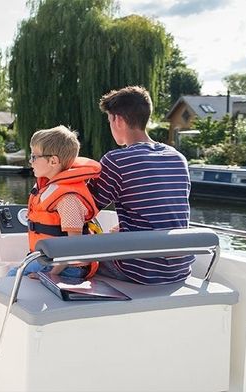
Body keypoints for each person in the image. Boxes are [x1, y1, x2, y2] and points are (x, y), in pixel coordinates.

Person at [89, 86, 192, 285]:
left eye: (109, 121)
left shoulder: (116, 160)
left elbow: (86, 209)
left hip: (138, 272)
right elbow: (165, 210)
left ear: (117, 120)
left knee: (72, 263)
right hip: (179, 269)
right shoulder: (177, 157)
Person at [10, 125, 101, 279]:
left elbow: (73, 245)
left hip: (68, 268)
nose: (30, 161)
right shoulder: (49, 187)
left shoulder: (67, 199)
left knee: (12, 275)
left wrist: (49, 276)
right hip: (49, 259)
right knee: (16, 271)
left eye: (34, 157)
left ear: (53, 161)